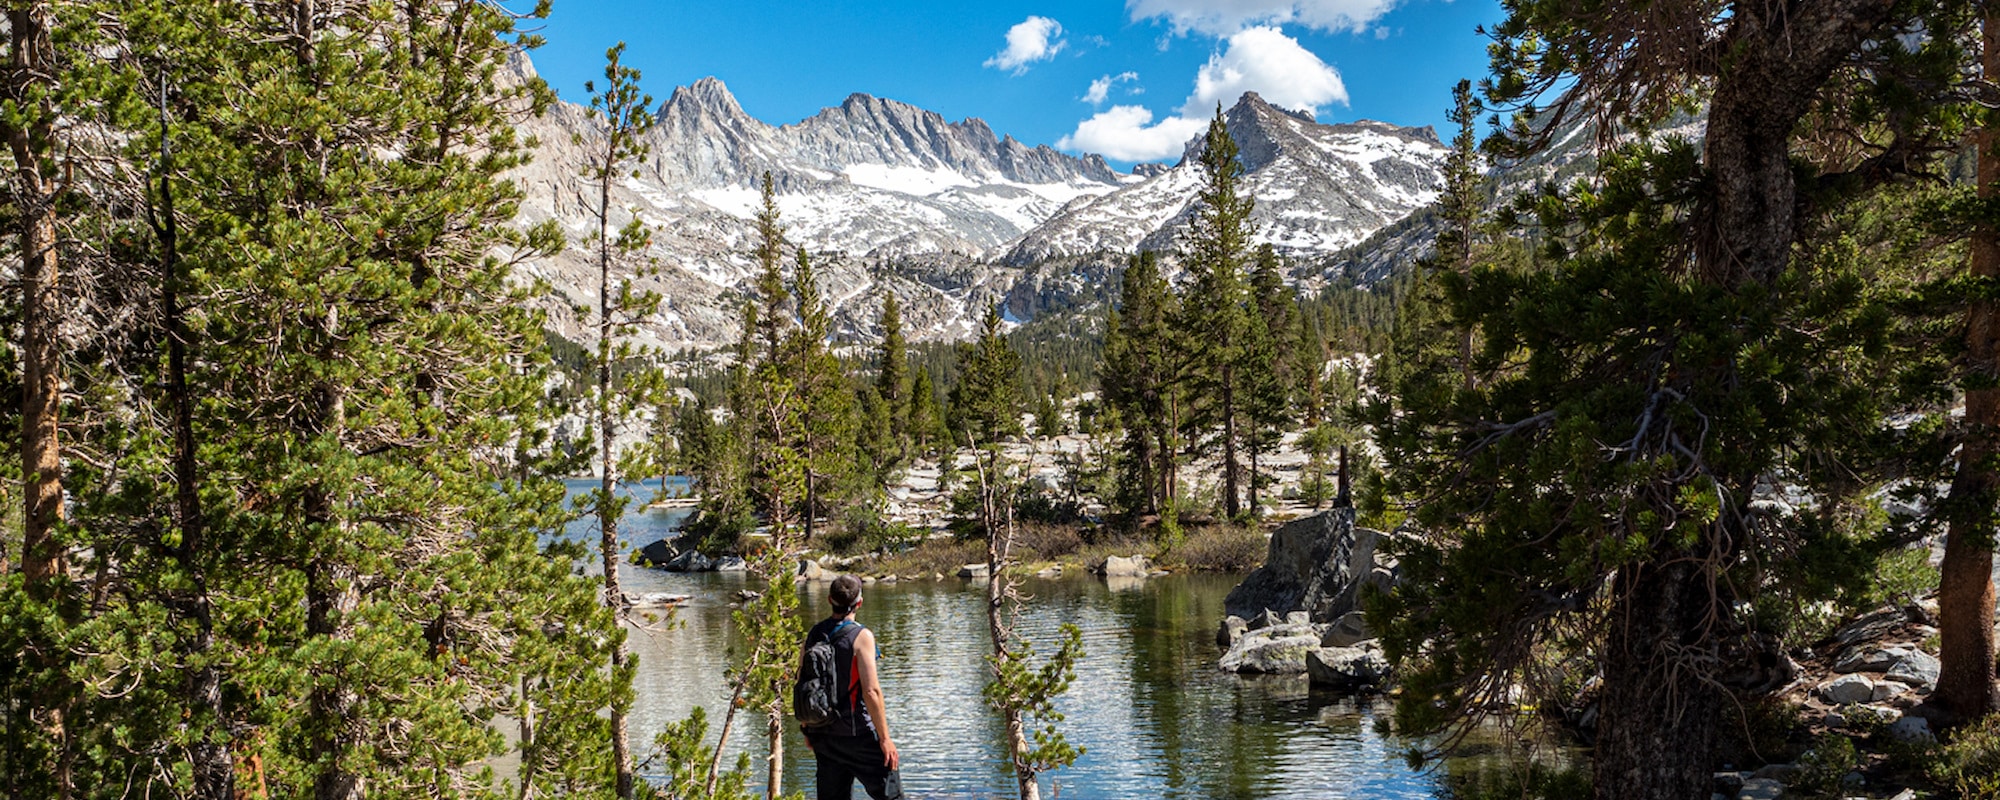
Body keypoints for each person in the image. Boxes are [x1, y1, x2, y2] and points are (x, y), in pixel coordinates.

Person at [801, 574, 902, 800]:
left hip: (823, 734)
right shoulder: (861, 636)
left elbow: (803, 681)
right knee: (892, 795)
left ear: (829, 600)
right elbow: (871, 691)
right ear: (859, 602)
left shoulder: (814, 634)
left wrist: (807, 726)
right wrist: (885, 739)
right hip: (858, 735)